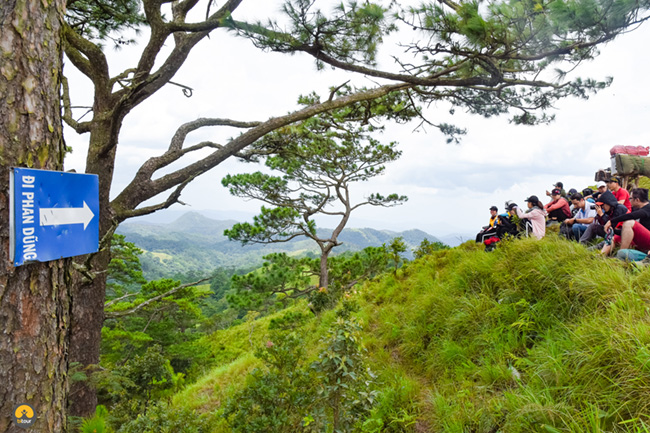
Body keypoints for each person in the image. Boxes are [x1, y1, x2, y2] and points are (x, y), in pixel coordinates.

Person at [602, 188, 650, 255]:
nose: (628, 200)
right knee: (614, 237)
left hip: (648, 242)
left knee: (629, 222)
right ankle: (601, 255)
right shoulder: (637, 208)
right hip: (641, 240)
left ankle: (621, 255)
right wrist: (614, 230)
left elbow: (632, 216)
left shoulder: (648, 208)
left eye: (630, 198)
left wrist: (611, 221)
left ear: (637, 200)